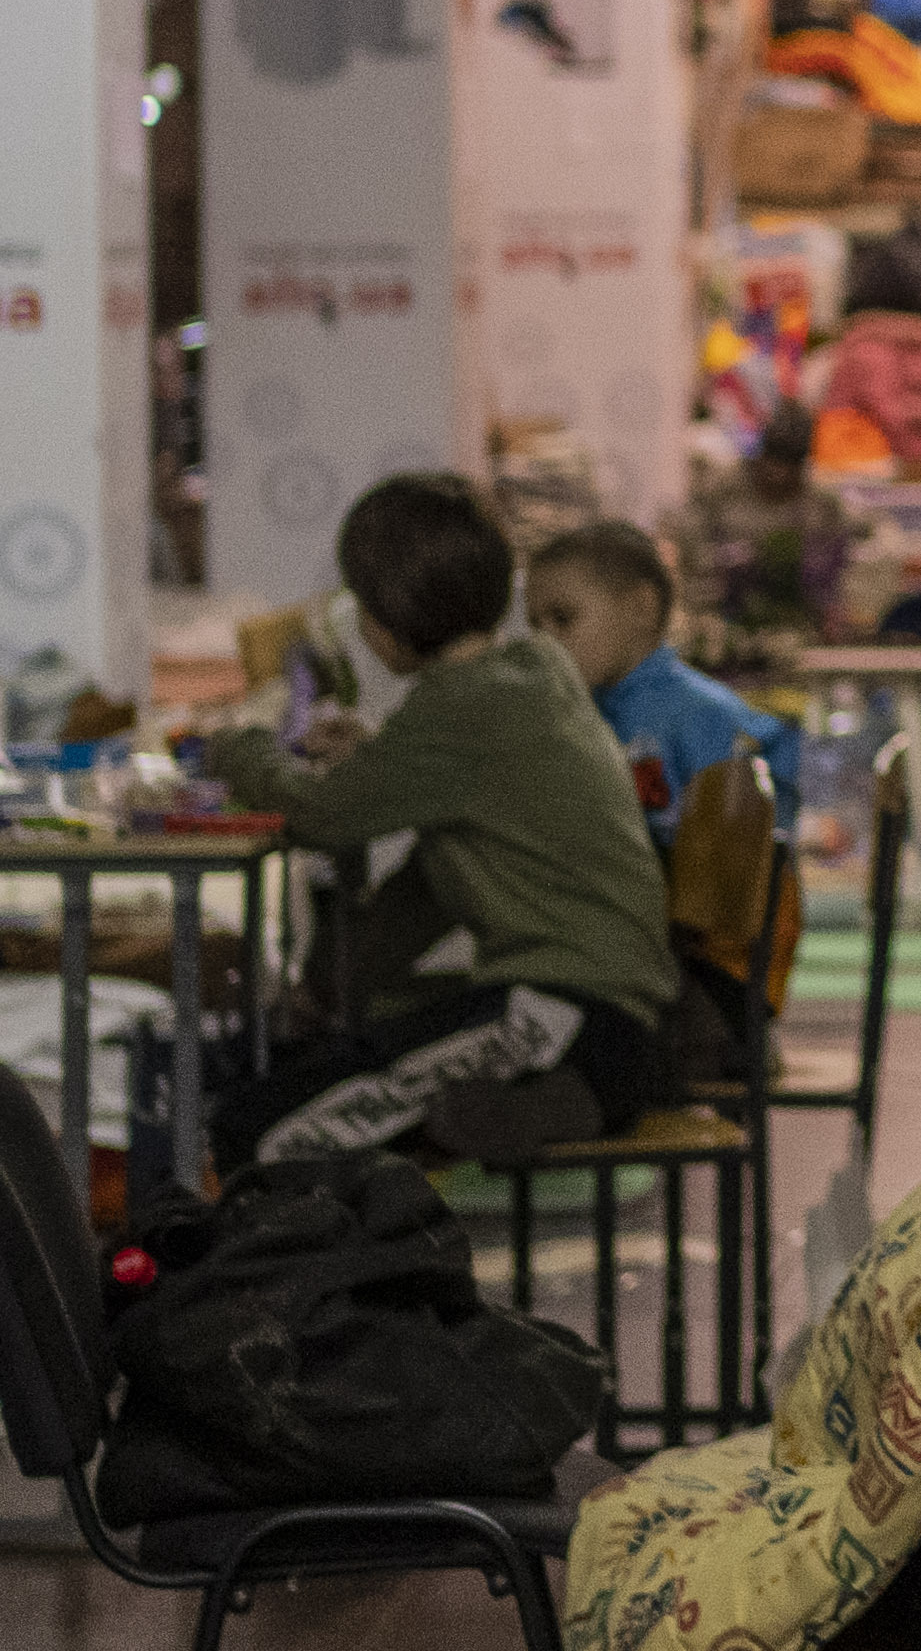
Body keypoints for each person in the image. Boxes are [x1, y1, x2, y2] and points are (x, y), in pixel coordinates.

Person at [179, 472, 685, 1168]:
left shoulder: (460, 708)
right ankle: (533, 1103)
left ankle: (548, 1102)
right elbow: (435, 877)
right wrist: (330, 986)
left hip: (567, 1016)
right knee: (326, 1064)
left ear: (381, 622)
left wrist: (235, 746)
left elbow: (321, 814)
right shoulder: (530, 671)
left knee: (262, 1128)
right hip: (600, 1009)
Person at [523, 510, 795, 821]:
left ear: (641, 607)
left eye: (563, 618)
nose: (545, 640)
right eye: (535, 625)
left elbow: (732, 847)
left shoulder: (701, 714)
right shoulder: (577, 711)